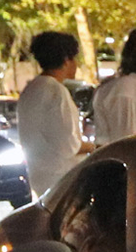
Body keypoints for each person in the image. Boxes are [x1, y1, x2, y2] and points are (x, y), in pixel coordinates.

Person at [16, 31, 87, 192]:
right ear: (66, 60)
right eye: (74, 58)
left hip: (39, 178)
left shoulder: (30, 89)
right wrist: (95, 147)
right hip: (62, 180)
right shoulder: (56, 91)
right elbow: (69, 146)